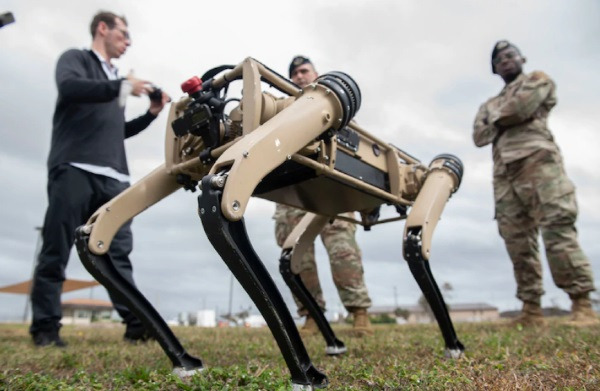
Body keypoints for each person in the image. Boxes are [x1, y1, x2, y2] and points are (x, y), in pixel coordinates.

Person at [30, 11, 171, 347]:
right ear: (103, 29)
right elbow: (69, 88)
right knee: (57, 248)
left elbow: (115, 131)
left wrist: (151, 114)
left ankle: (136, 325)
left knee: (117, 254)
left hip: (114, 177)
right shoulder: (75, 60)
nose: (129, 41)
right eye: (123, 34)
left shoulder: (114, 80)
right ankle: (46, 327)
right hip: (75, 168)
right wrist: (122, 85)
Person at [473, 40, 598, 327]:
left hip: (538, 163)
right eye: (499, 59)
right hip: (504, 174)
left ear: (521, 58)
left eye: (509, 55)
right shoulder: (488, 103)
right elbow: (479, 137)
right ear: (494, 69)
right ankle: (531, 309)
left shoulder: (537, 80)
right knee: (517, 240)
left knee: (557, 228)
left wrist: (497, 118)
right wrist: (502, 116)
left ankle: (582, 304)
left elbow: (521, 107)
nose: (505, 60)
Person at [273, 56, 373, 337]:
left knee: (343, 251)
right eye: (294, 74)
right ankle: (311, 315)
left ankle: (359, 313)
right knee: (296, 255)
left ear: (317, 74)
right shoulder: (283, 110)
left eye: (304, 71)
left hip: (332, 187)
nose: (299, 76)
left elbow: (356, 147)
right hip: (292, 187)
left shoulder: (338, 107)